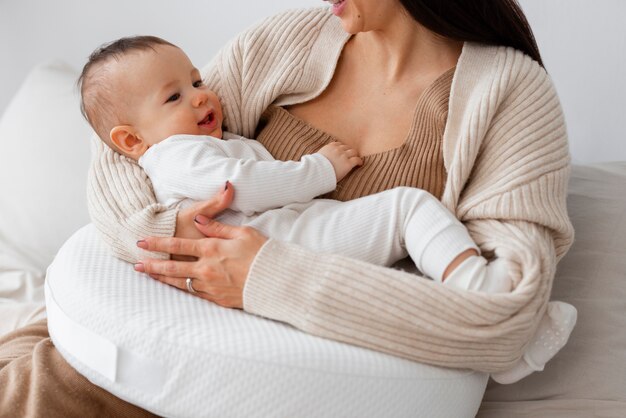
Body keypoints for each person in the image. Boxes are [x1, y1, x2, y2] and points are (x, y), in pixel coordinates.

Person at [0, 0, 575, 413]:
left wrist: (268, 276)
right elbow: (131, 149)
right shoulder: (288, 40)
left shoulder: (508, 95)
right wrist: (167, 227)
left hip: (264, 381)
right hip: (123, 338)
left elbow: (507, 321)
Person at [79, 35, 513, 292]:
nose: (200, 95)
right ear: (132, 140)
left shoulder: (190, 144)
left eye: (197, 80)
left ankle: (475, 300)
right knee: (408, 209)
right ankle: (479, 292)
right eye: (174, 96)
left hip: (284, 237)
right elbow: (241, 186)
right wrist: (320, 169)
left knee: (405, 237)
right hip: (280, 241)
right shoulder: (175, 155)